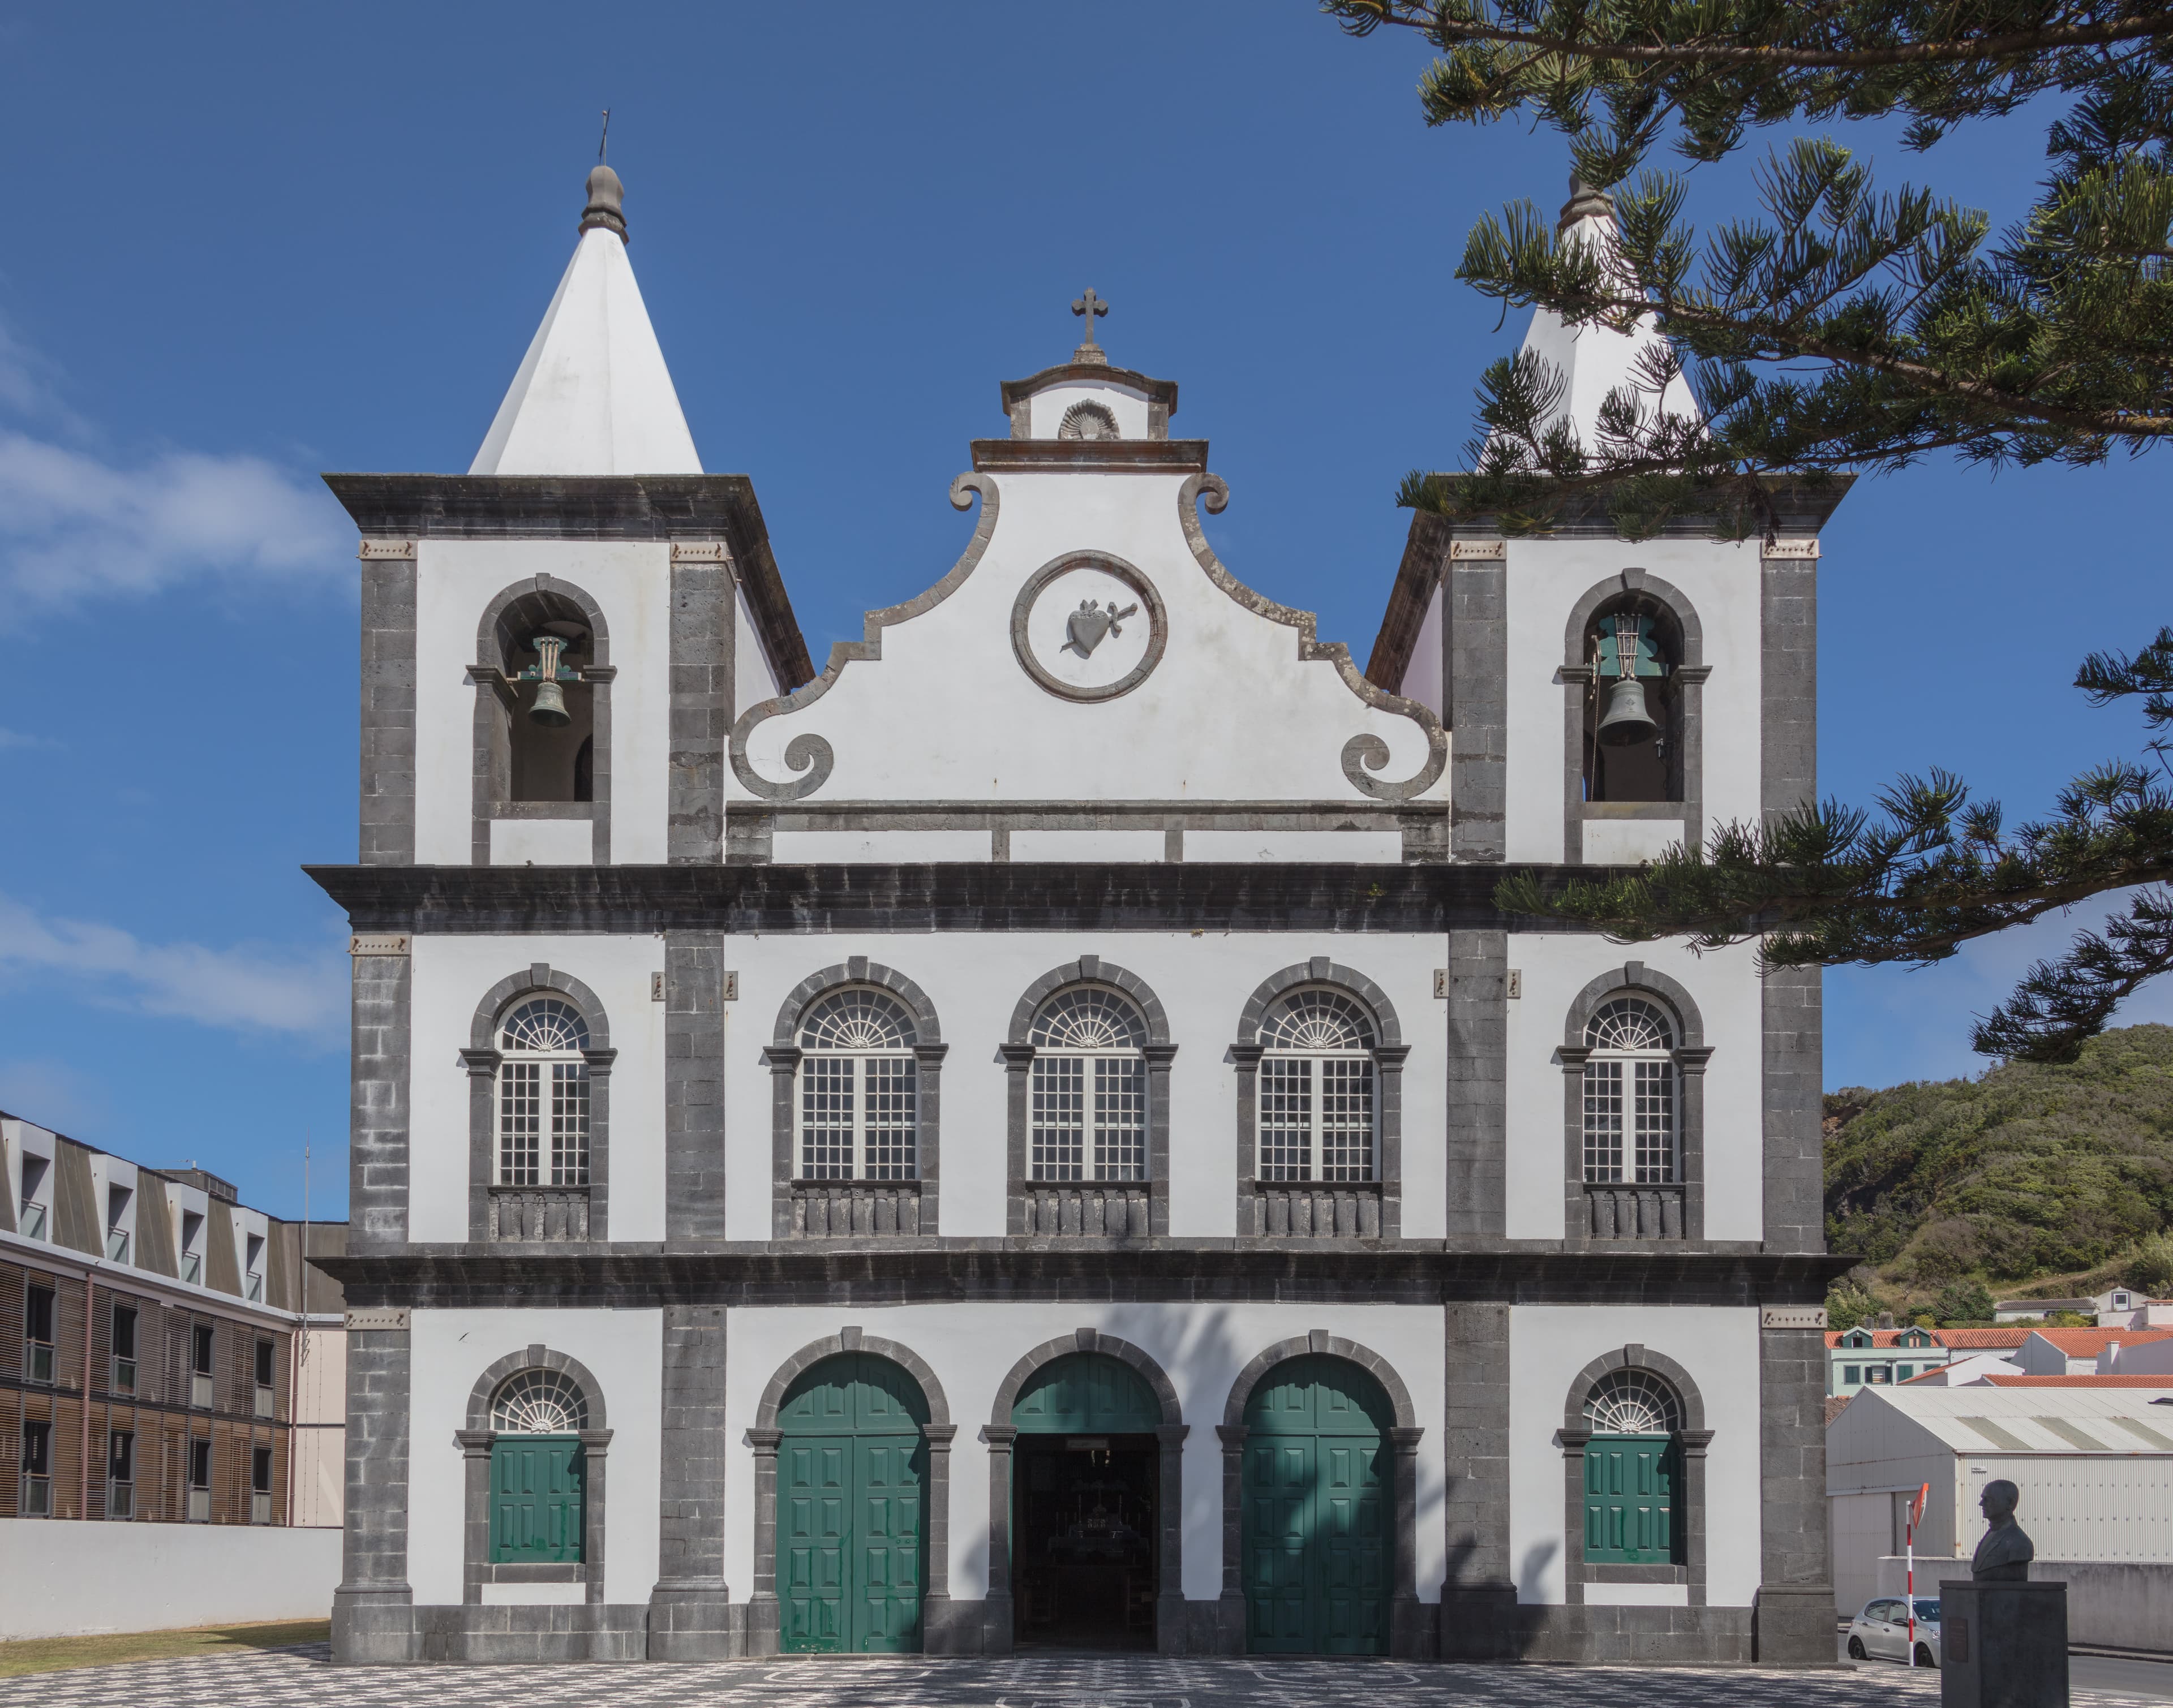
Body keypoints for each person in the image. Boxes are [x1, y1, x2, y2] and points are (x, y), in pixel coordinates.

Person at [1971, 1479, 2034, 1581]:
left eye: (1988, 1499)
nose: (1981, 1504)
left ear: (2010, 1503)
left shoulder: (2020, 1543)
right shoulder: (1990, 1535)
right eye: (1983, 1498)